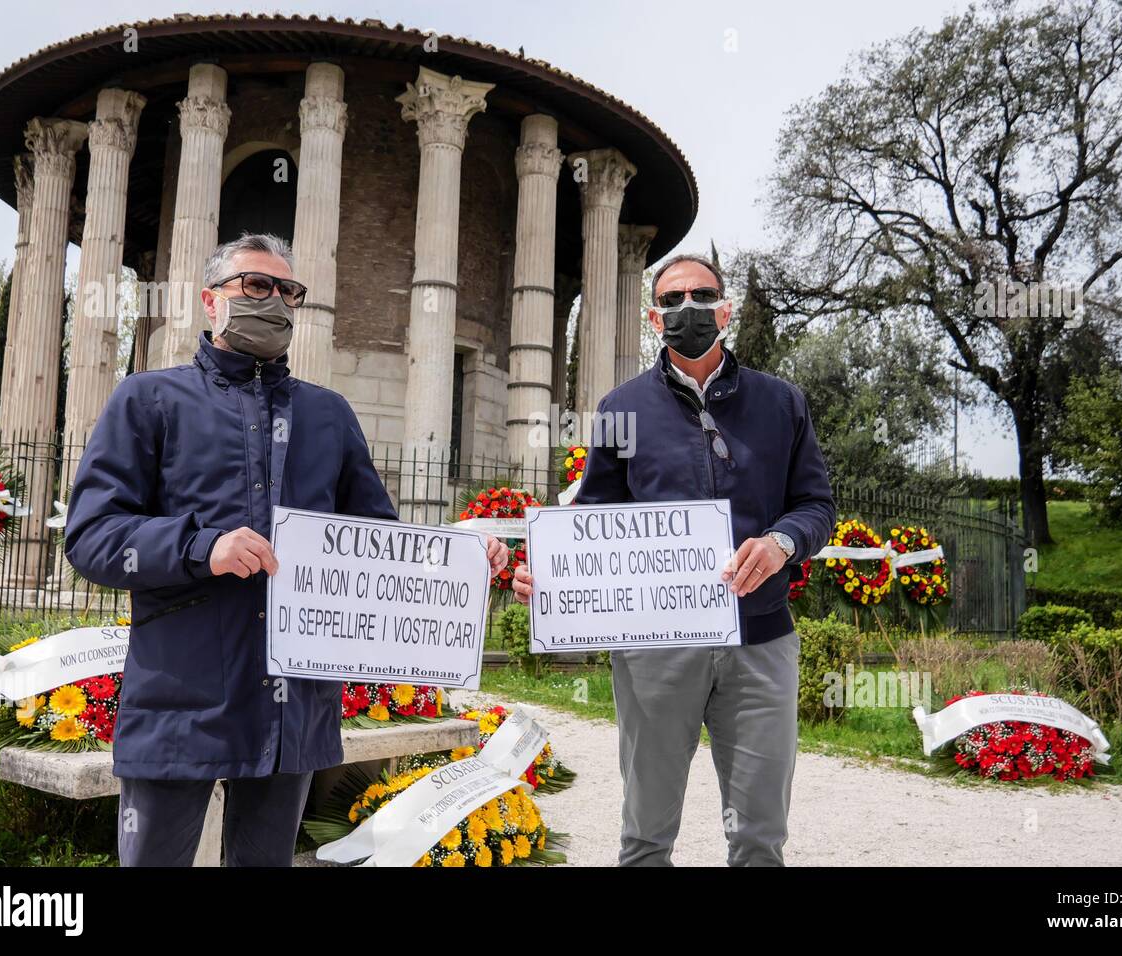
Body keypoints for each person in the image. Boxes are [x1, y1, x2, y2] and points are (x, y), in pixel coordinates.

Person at [65, 232, 508, 866]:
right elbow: (91, 536)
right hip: (180, 699)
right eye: (254, 285)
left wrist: (461, 557)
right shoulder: (148, 399)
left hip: (292, 707)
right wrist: (199, 546)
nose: (273, 301)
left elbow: (377, 546)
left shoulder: (327, 415)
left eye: (286, 291)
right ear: (210, 301)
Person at [513, 253, 835, 866]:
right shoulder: (619, 410)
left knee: (760, 837)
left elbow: (815, 504)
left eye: (701, 295)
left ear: (726, 308)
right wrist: (553, 572)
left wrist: (781, 543)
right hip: (656, 650)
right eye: (672, 301)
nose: (688, 309)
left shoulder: (782, 403)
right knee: (646, 834)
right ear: (654, 320)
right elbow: (596, 518)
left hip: (761, 642)